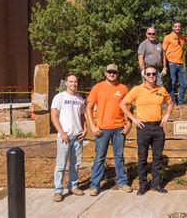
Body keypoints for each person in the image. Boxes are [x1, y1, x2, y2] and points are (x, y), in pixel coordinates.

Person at [120, 66, 174, 195]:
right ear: (144, 75)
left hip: (158, 128)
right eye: (148, 74)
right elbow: (122, 104)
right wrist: (133, 118)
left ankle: (156, 184)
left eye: (154, 74)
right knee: (142, 158)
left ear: (157, 75)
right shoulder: (137, 89)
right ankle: (143, 185)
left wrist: (167, 115)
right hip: (143, 128)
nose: (151, 76)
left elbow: (171, 103)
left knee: (157, 157)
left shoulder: (161, 89)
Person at [86, 64, 132, 195]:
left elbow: (129, 108)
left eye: (114, 72)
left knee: (119, 156)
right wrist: (93, 126)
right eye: (109, 72)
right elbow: (89, 108)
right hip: (102, 129)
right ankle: (94, 185)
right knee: (100, 157)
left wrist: (129, 124)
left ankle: (122, 183)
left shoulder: (123, 88)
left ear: (118, 74)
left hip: (119, 129)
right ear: (105, 73)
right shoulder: (97, 87)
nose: (112, 74)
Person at [51, 73, 87, 202]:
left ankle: (73, 186)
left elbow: (82, 116)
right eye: (71, 81)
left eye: (75, 82)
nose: (73, 84)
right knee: (61, 165)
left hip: (77, 137)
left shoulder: (80, 99)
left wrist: (85, 129)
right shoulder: (59, 97)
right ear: (66, 83)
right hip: (64, 137)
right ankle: (58, 190)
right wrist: (62, 132)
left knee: (75, 164)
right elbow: (54, 116)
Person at [162, 21, 187, 105]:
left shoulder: (182, 37)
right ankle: (172, 102)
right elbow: (163, 52)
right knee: (172, 83)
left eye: (179, 27)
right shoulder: (168, 37)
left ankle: (180, 103)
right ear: (173, 28)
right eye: (176, 26)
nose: (178, 28)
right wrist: (164, 66)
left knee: (184, 84)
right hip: (171, 63)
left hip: (180, 64)